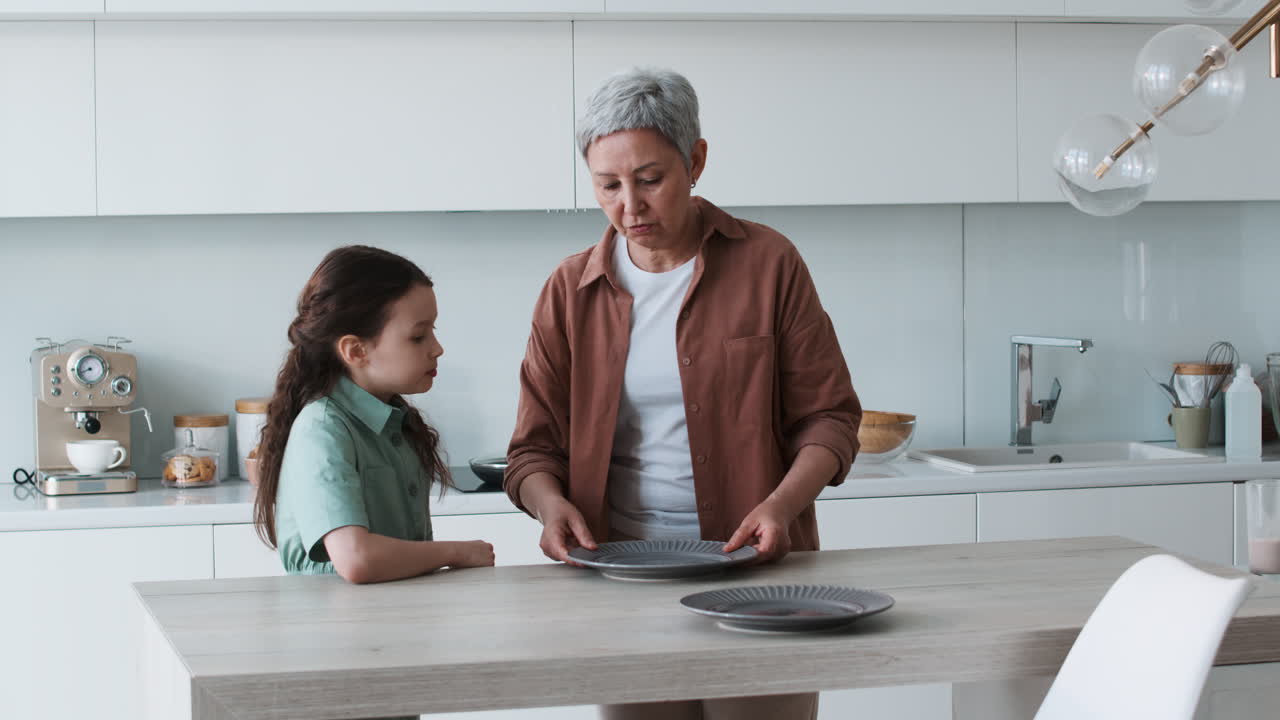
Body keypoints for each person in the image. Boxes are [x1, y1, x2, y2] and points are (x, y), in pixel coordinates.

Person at [505, 68, 861, 720]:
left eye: (649, 179)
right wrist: (550, 507)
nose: (629, 206)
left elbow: (830, 419)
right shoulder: (567, 291)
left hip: (758, 581)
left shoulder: (770, 264)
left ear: (695, 160)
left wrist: (780, 508)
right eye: (608, 185)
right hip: (620, 583)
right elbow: (533, 450)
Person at [253, 245, 495, 586]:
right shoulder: (323, 429)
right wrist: (457, 553)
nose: (437, 348)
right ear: (355, 350)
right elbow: (356, 558)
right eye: (418, 336)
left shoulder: (394, 420)